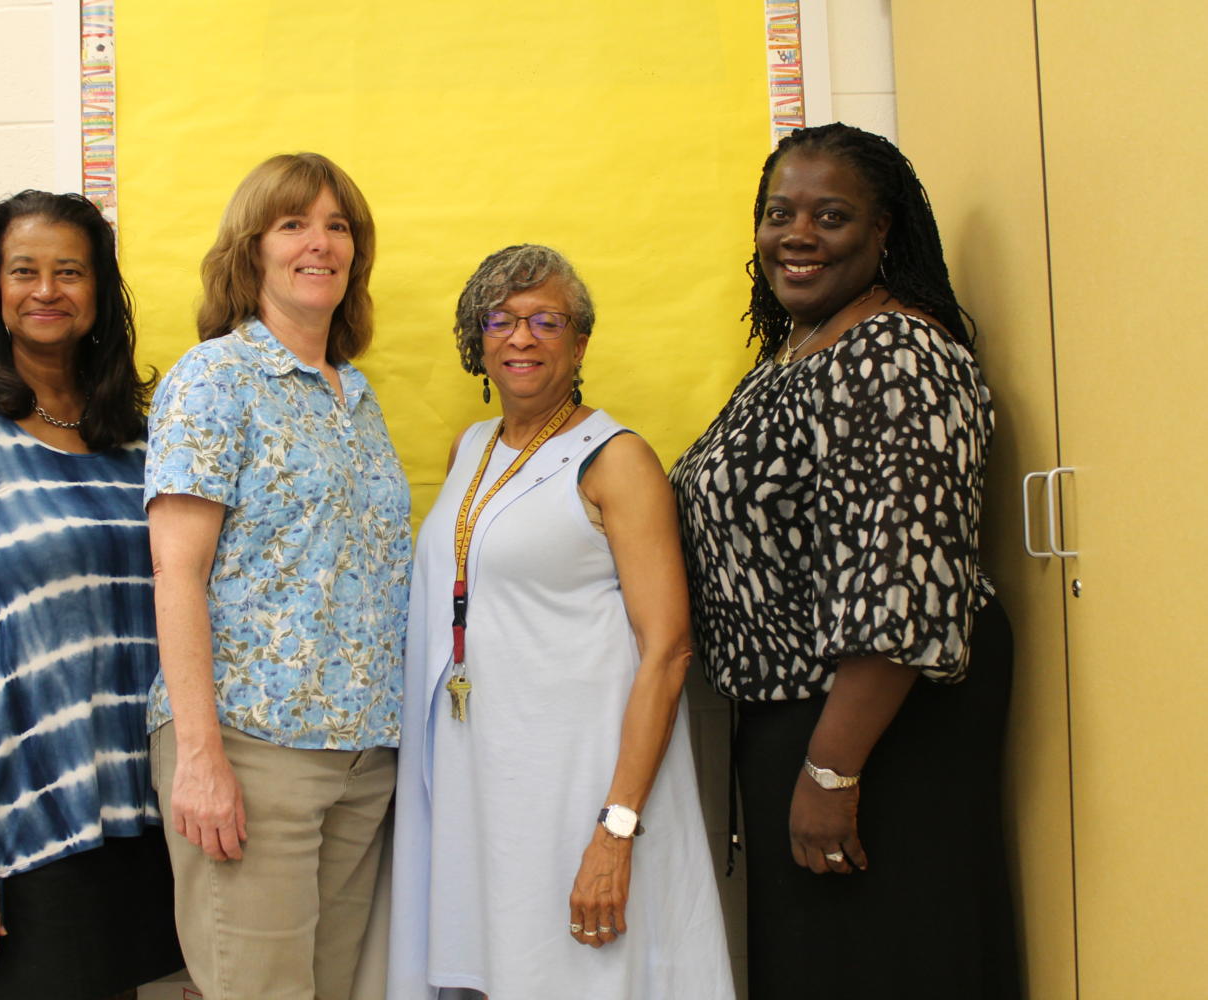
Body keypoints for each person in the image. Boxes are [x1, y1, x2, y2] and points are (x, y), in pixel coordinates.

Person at [669, 122, 1020, 999]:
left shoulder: (899, 356)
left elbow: (902, 577)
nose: (798, 233)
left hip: (876, 723)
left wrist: (831, 770)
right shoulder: (799, 351)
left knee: (891, 958)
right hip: (805, 719)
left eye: (832, 215)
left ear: (883, 232)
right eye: (778, 212)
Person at [387, 245, 734, 999]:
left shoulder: (615, 460)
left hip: (581, 781)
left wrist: (616, 827)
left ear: (579, 343)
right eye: (502, 320)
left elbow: (668, 651)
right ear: (476, 342)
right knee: (502, 967)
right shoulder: (470, 449)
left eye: (547, 320)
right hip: (486, 780)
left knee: (584, 975)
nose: (522, 336)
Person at [0, 190, 183, 998]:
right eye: (25, 271)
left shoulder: (141, 439)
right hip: (35, 821)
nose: (47, 290)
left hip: (157, 811)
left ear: (99, 294)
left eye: (69, 271)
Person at [145, 152, 411, 1000]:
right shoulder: (214, 380)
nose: (320, 242)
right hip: (252, 752)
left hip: (362, 758)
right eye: (294, 223)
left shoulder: (355, 398)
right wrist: (200, 758)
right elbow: (175, 573)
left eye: (339, 226)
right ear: (250, 249)